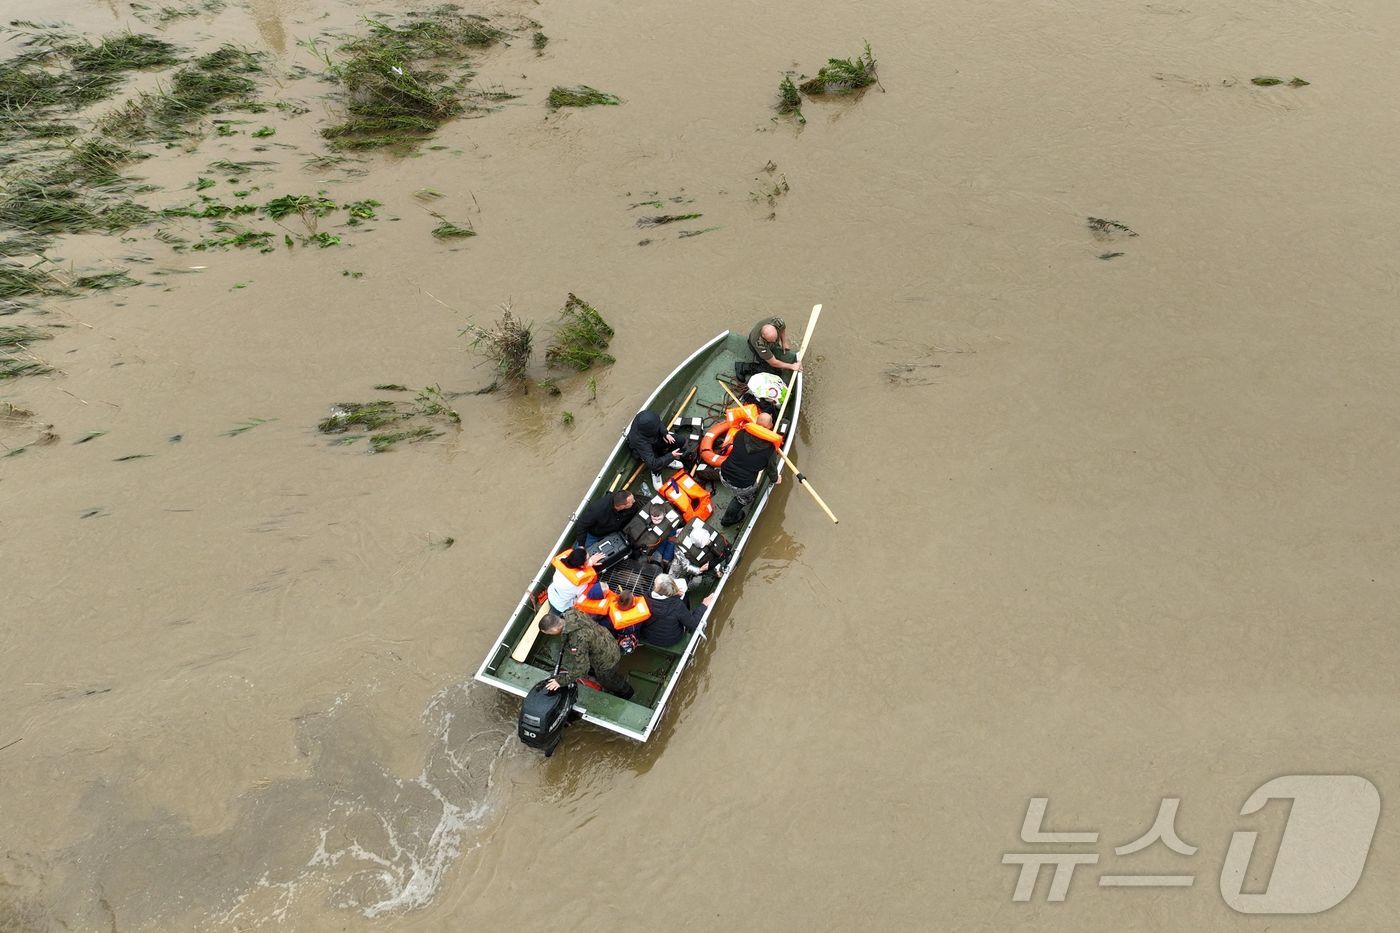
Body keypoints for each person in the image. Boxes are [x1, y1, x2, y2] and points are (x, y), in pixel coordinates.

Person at [541, 609, 634, 700]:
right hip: (607, 640)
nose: (550, 635)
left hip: (607, 660)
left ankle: (627, 692)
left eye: (549, 633)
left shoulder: (577, 640)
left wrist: (560, 681)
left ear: (554, 629)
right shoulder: (571, 612)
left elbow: (582, 668)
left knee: (607, 680)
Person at [718, 412, 782, 526]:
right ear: (770, 426)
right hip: (742, 484)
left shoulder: (741, 433)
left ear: (756, 423)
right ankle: (727, 520)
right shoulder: (770, 449)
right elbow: (771, 469)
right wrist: (775, 479)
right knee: (744, 499)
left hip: (723, 474)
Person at [640, 574, 716, 647]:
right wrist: (704, 605)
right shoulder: (677, 605)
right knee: (685, 596)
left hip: (649, 636)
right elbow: (693, 624)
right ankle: (686, 613)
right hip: (670, 639)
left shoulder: (645, 596)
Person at [627, 410, 684, 491]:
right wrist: (671, 455)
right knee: (655, 464)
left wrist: (665, 433)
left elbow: (659, 423)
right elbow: (652, 464)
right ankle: (656, 473)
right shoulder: (638, 441)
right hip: (645, 449)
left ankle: (666, 459)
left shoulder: (646, 417)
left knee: (680, 440)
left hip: (654, 438)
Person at [546, 546, 607, 613]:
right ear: (581, 565)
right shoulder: (578, 584)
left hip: (551, 594)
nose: (590, 559)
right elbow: (584, 595)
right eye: (588, 559)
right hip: (561, 607)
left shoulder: (562, 561)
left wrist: (590, 562)